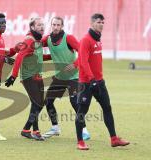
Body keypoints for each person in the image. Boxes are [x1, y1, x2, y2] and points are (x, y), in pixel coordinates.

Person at [75, 13, 130, 150]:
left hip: (99, 82)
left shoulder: (98, 39)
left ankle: (114, 139)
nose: (101, 24)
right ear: (92, 23)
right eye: (99, 22)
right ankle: (80, 142)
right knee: (82, 111)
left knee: (107, 108)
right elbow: (83, 62)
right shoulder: (86, 40)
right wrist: (92, 79)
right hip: (86, 83)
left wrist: (97, 80)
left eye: (103, 22)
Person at [41, 16, 90, 140]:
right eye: (54, 25)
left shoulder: (68, 38)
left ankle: (84, 130)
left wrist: (75, 64)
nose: (56, 27)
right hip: (60, 77)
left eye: (58, 25)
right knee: (48, 101)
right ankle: (55, 127)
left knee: (74, 103)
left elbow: (83, 52)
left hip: (74, 77)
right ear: (51, 25)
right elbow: (34, 45)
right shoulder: (47, 39)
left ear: (62, 26)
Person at [5, 17, 51, 141]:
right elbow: (20, 56)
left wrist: (53, 56)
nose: (42, 27)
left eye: (43, 25)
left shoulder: (38, 41)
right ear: (32, 27)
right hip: (28, 77)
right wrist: (13, 76)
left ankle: (31, 131)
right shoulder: (29, 40)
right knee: (38, 103)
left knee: (38, 104)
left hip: (37, 76)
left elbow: (40, 57)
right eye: (39, 25)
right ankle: (30, 130)